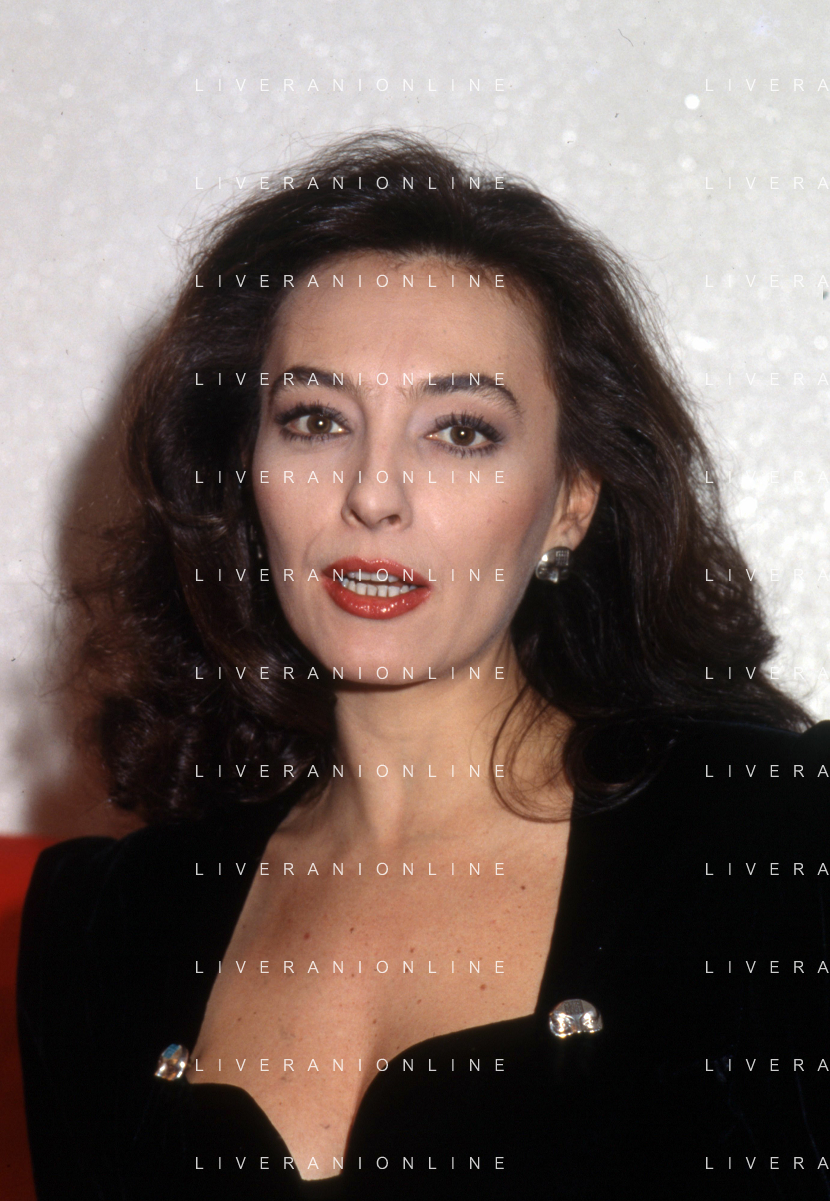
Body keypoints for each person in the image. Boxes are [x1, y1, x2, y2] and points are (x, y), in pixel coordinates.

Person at [17, 131, 830, 1200]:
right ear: (244, 476)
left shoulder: (772, 843)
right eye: (315, 420)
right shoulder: (104, 930)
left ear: (571, 502)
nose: (373, 493)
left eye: (460, 431)